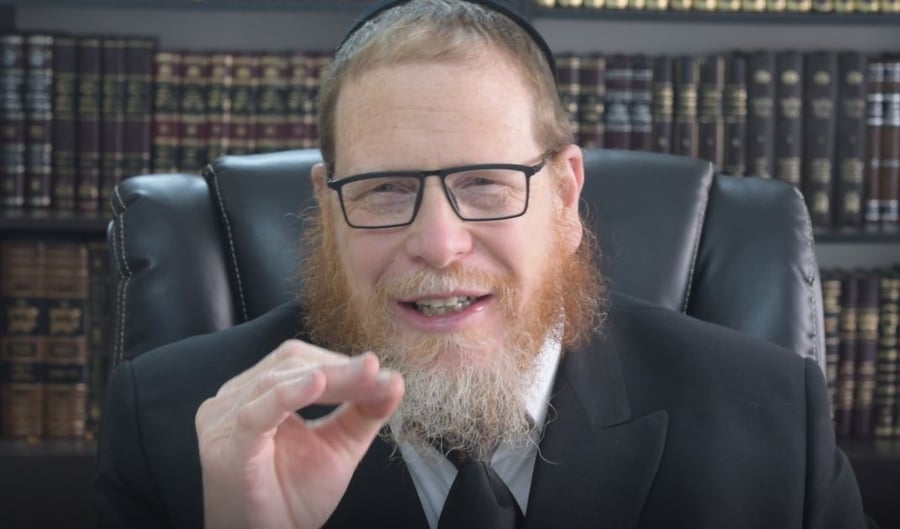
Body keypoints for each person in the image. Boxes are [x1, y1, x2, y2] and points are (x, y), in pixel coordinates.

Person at [93, 1, 875, 528]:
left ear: (565, 198)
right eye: (385, 188)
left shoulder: (771, 417)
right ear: (328, 213)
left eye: (486, 184)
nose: (439, 244)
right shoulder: (170, 426)